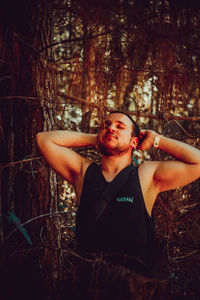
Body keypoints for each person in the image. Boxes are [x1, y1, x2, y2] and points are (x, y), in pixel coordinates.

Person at [36, 110, 200, 274]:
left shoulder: (145, 176)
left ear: (133, 142)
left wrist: (158, 140)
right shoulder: (84, 172)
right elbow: (43, 139)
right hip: (86, 289)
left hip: (134, 290)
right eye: (106, 125)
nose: (111, 128)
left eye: (119, 126)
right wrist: (96, 139)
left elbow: (197, 162)